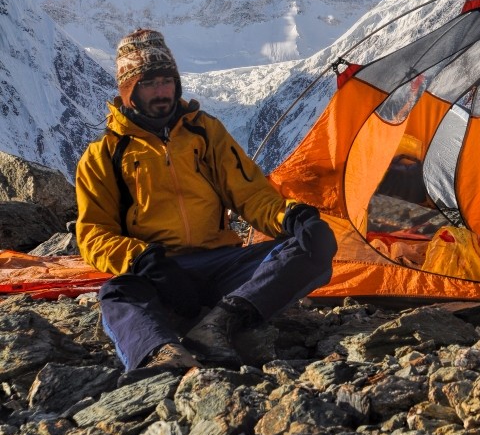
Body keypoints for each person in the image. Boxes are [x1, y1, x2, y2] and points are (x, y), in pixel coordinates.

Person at [75, 29, 337, 382]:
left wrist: (291, 217)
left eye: (167, 81)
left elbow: (250, 194)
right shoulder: (103, 156)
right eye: (150, 84)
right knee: (117, 293)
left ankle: (220, 323)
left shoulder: (206, 133)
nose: (163, 92)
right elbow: (93, 234)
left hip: (222, 264)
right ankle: (160, 353)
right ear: (129, 90)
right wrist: (144, 260)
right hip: (160, 272)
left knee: (311, 249)